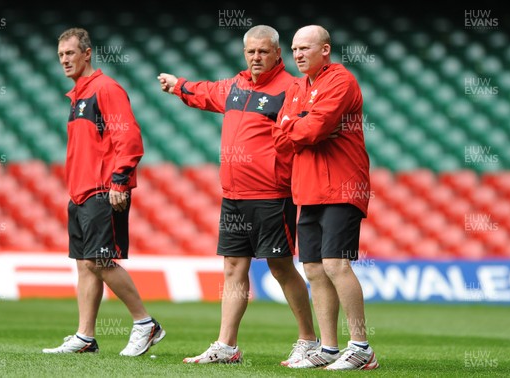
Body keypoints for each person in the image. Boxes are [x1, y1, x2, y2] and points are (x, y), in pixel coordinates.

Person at [157, 24, 318, 366]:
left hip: (273, 194)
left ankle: (308, 340)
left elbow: (309, 129)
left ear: (278, 53)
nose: (256, 57)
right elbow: (205, 91)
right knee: (232, 266)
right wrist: (178, 86)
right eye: (251, 52)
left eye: (263, 51)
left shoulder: (292, 88)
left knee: (279, 265)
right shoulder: (235, 85)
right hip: (233, 194)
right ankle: (226, 345)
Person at [42, 27, 165, 356]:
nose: (65, 60)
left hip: (102, 189)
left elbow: (130, 140)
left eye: (70, 53)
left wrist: (120, 180)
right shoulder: (79, 96)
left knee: (99, 260)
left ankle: (145, 323)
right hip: (80, 192)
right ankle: (85, 336)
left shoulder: (105, 89)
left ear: (86, 53)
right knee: (85, 264)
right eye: (60, 55)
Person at [273, 25, 379, 370]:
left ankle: (361, 345)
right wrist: (300, 125)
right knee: (315, 269)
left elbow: (314, 130)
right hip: (308, 188)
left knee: (336, 264)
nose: (298, 54)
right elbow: (280, 136)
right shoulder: (297, 86)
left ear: (326, 49)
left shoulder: (340, 81)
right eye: (294, 49)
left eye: (305, 48)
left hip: (342, 185)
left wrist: (300, 124)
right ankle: (330, 348)